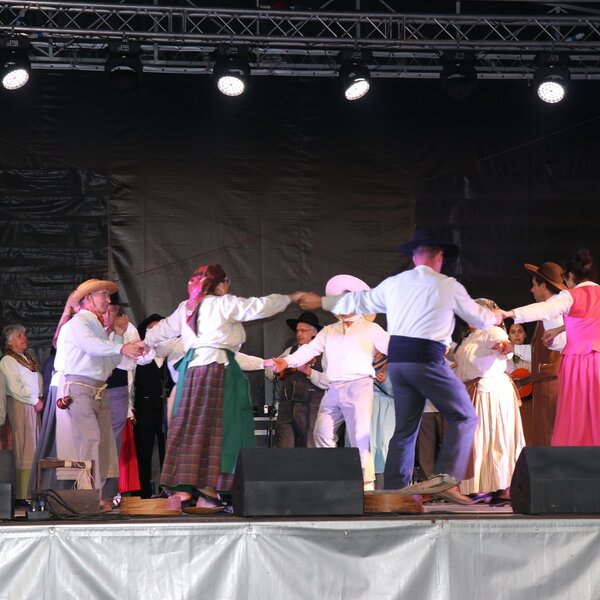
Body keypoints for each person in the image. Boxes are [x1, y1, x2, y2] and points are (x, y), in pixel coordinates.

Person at [298, 228, 503, 502]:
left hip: (400, 363)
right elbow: (479, 318)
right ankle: (446, 477)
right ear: (438, 257)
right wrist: (497, 316)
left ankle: (396, 490)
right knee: (465, 416)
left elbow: (360, 300)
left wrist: (320, 301)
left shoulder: (394, 283)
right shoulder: (447, 285)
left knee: (406, 428)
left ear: (415, 257)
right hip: (427, 358)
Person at [144, 264, 304, 508]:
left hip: (192, 372)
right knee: (224, 426)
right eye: (226, 281)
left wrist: (143, 344)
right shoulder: (222, 303)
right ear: (218, 284)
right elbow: (257, 306)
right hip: (217, 370)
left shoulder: (187, 307)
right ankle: (207, 489)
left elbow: (161, 330)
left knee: (191, 425)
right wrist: (291, 298)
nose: (228, 286)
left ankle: (185, 489)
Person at [269, 275, 390, 491]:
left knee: (359, 436)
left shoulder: (371, 329)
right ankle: (334, 478)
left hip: (359, 386)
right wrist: (286, 361)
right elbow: (308, 350)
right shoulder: (329, 330)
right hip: (334, 388)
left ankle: (366, 485)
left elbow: (396, 348)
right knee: (322, 431)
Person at [60, 278, 146, 507]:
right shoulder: (79, 322)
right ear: (88, 299)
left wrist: (118, 336)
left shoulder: (96, 326)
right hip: (81, 389)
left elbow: (109, 364)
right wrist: (121, 346)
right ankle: (88, 496)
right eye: (103, 295)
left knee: (105, 443)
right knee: (90, 439)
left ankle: (103, 496)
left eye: (108, 295)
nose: (108, 300)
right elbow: (91, 347)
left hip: (99, 390)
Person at [502, 249, 600, 446]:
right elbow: (587, 319)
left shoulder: (570, 296)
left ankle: (574, 459)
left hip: (577, 363)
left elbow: (546, 309)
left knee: (575, 419)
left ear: (571, 276)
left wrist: (509, 313)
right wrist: (561, 329)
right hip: (597, 361)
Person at [453, 299, 525, 503]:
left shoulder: (493, 331)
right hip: (474, 391)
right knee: (479, 439)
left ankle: (503, 486)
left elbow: (505, 345)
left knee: (495, 437)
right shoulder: (470, 337)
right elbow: (462, 364)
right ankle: (479, 485)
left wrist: (505, 347)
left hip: (491, 392)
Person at [519, 262, 567, 447]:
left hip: (550, 380)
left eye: (534, 285)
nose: (532, 290)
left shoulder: (553, 312)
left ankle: (551, 466)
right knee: (544, 432)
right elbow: (540, 349)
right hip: (546, 379)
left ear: (544, 285)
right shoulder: (551, 311)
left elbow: (561, 345)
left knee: (547, 434)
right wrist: (512, 349)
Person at [272, 311, 328, 448]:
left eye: (303, 330)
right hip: (287, 407)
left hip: (311, 409)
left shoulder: (325, 353)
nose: (299, 334)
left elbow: (330, 381)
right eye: (297, 331)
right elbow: (270, 373)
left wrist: (310, 372)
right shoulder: (290, 351)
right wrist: (280, 370)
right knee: (285, 446)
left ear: (314, 333)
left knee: (309, 447)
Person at [0, 324, 43, 502]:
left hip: (32, 406)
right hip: (20, 406)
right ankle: (22, 494)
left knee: (34, 448)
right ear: (10, 342)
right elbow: (14, 387)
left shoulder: (28, 359)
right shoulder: (8, 361)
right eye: (19, 336)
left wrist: (38, 399)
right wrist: (34, 400)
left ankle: (33, 491)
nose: (24, 338)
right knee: (24, 449)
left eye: (24, 335)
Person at [133, 314, 174, 498]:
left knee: (170, 450)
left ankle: (169, 490)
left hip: (168, 408)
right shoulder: (139, 355)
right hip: (144, 408)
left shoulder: (173, 352)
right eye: (151, 329)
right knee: (143, 451)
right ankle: (141, 493)